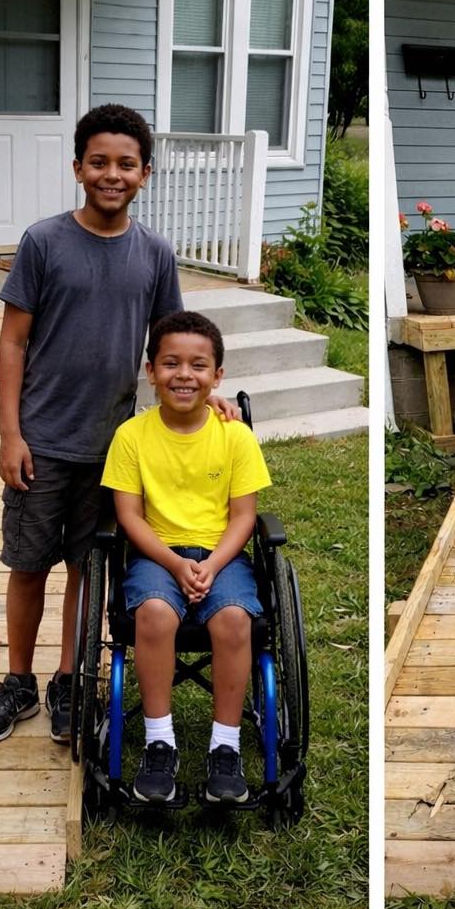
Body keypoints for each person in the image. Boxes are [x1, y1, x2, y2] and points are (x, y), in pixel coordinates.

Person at [0, 104, 234, 746]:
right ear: (78, 168)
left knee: (88, 568)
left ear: (146, 173)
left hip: (114, 450)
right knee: (29, 563)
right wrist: (10, 433)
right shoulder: (43, 242)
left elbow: (176, 345)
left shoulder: (155, 253)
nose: (111, 174)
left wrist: (209, 399)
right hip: (41, 441)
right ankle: (18, 682)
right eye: (98, 162)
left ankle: (68, 678)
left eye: (126, 164)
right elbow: (11, 344)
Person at [101, 309, 272, 806]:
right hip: (157, 554)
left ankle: (226, 747)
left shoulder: (234, 435)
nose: (184, 374)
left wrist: (213, 564)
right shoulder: (131, 437)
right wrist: (176, 565)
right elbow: (129, 516)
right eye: (171, 363)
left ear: (217, 376)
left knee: (235, 621)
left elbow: (244, 515)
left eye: (198, 366)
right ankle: (160, 742)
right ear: (151, 370)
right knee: (154, 613)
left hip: (222, 555)